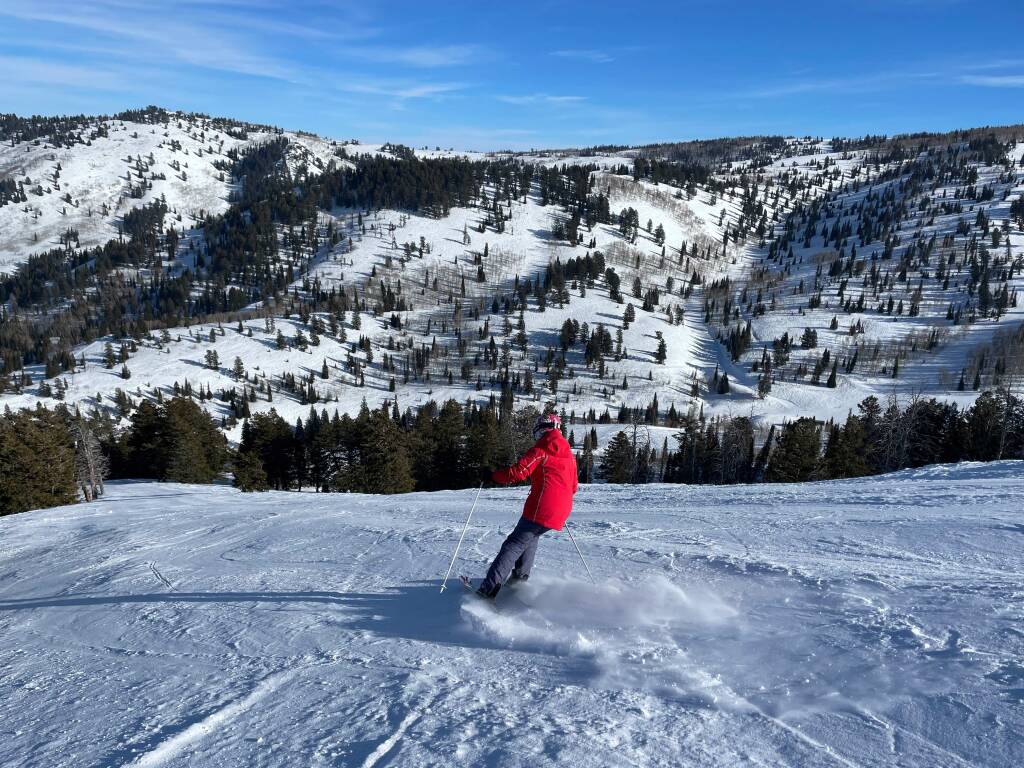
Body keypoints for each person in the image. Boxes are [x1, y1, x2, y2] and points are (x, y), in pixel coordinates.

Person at [475, 413, 578, 599]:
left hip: (542, 507)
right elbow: (573, 487)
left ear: (541, 429)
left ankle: (488, 590)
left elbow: (517, 473)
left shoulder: (541, 451)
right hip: (562, 509)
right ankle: (518, 580)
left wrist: (491, 476)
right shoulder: (569, 456)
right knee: (530, 537)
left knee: (513, 544)